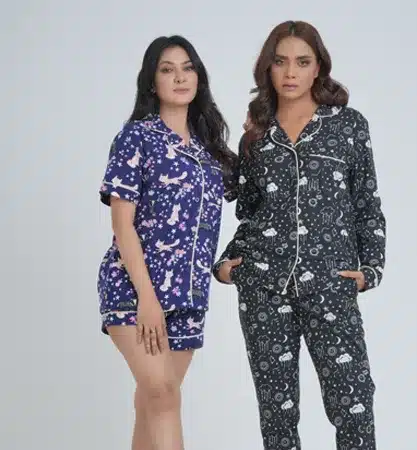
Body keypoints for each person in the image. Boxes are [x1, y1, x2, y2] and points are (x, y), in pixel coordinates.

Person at [213, 20, 386, 450]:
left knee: (354, 407)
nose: (290, 72)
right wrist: (227, 265)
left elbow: (366, 202)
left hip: (330, 283)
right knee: (277, 417)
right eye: (281, 61)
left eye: (302, 62)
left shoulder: (348, 126)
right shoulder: (258, 134)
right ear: (268, 68)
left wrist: (371, 269)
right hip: (264, 286)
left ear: (318, 68)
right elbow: (249, 210)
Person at [97, 35, 237, 450]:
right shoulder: (136, 137)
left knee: (153, 402)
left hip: (189, 296)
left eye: (188, 68)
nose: (180, 77)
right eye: (167, 69)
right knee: (162, 394)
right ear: (152, 82)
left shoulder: (211, 153)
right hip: (134, 290)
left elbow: (256, 205)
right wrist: (148, 298)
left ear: (199, 78)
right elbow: (122, 226)